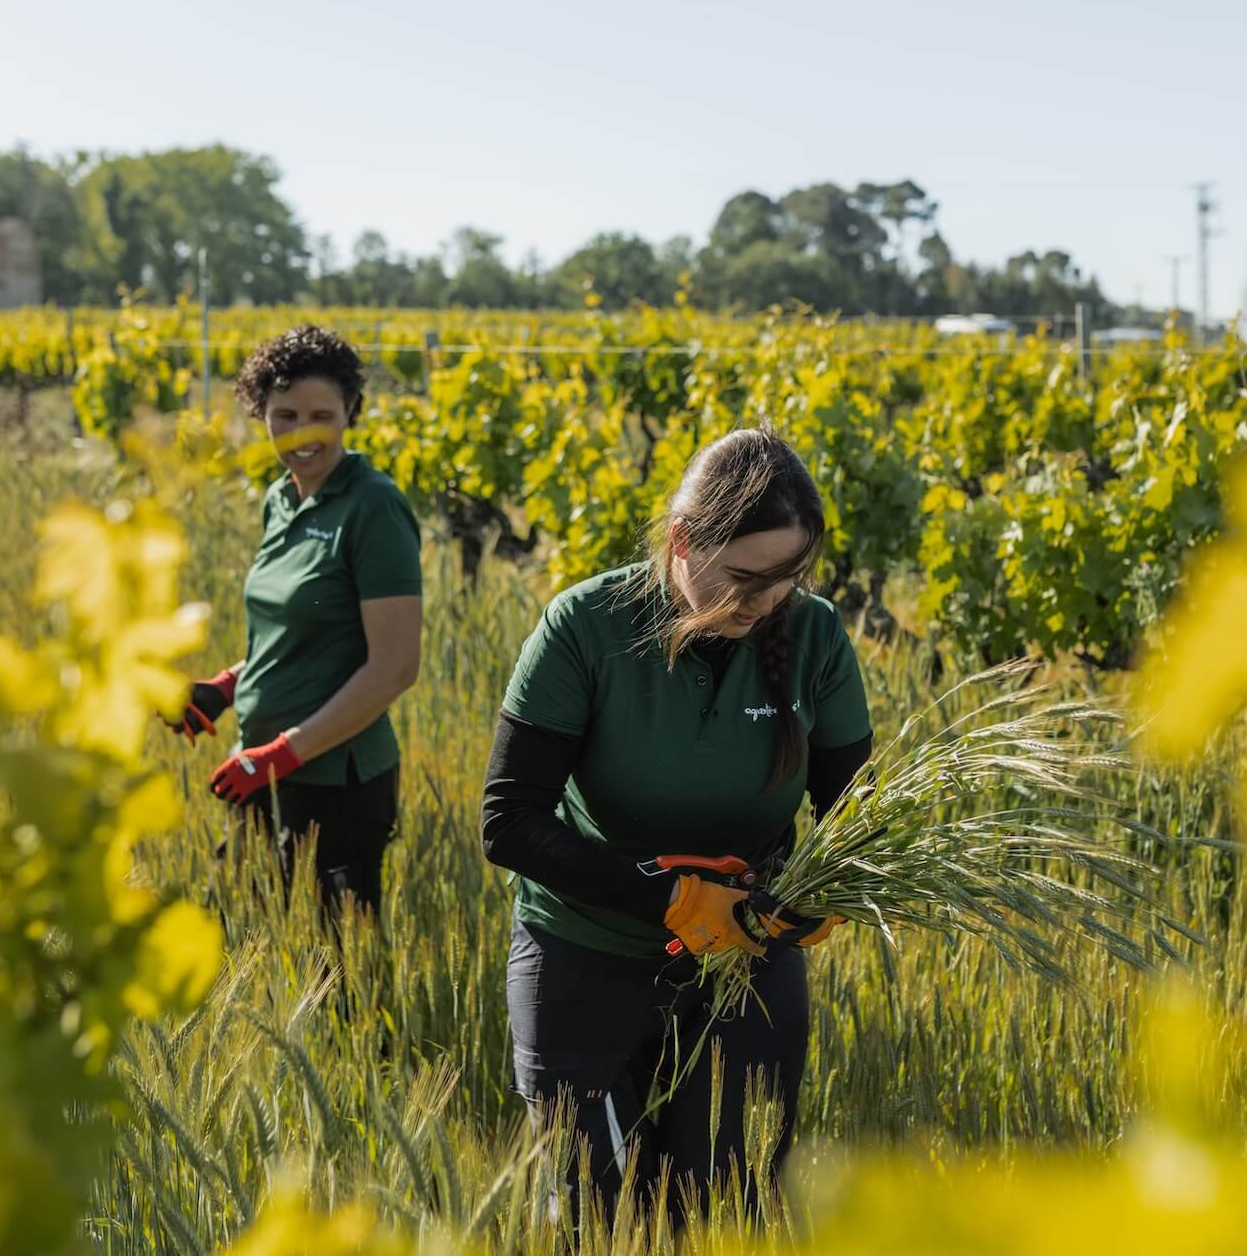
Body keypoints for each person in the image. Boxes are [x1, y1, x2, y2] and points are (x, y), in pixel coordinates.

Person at [482, 426, 875, 1220]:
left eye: (785, 580)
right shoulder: (583, 627)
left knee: (728, 1207)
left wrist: (824, 890)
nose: (763, 603)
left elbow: (853, 811)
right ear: (683, 540)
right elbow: (509, 821)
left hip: (744, 964)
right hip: (584, 960)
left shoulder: (815, 635)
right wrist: (671, 896)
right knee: (596, 1216)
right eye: (744, 578)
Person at [166, 326, 423, 917]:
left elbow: (394, 668)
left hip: (335, 785)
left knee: (332, 960)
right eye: (285, 416)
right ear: (261, 415)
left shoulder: (374, 507)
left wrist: (280, 754)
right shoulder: (281, 499)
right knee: (239, 933)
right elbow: (295, 637)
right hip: (259, 771)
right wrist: (224, 689)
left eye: (320, 416)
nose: (303, 433)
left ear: (350, 412)